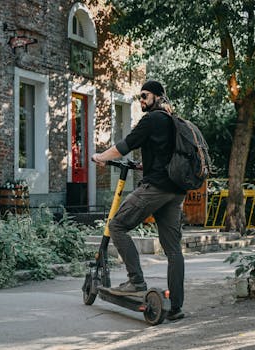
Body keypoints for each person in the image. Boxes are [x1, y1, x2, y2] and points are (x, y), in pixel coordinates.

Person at [92, 80, 186, 321]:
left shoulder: (153, 119)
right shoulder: (171, 120)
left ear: (156, 96)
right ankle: (175, 307)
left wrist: (101, 156)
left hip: (155, 187)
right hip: (175, 190)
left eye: (144, 96)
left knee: (117, 225)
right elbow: (165, 154)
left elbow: (126, 145)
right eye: (139, 97)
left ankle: (136, 282)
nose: (141, 101)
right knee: (173, 250)